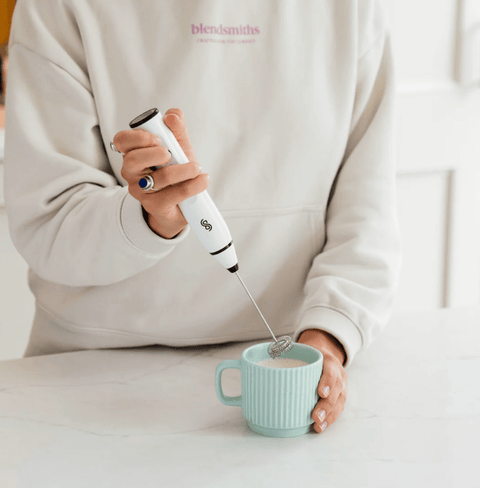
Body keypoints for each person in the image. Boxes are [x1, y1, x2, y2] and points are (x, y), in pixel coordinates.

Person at [4, 0, 401, 435]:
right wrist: (149, 220)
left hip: (282, 363)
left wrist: (327, 339)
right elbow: (49, 223)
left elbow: (368, 214)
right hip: (87, 380)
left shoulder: (353, 8)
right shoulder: (56, 7)